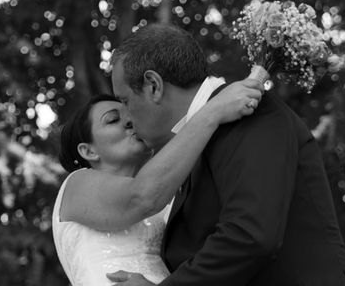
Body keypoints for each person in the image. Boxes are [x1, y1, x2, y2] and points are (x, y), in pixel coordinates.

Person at [107, 23, 345, 286]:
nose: (126, 118)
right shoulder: (198, 139)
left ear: (153, 86)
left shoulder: (250, 112)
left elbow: (251, 234)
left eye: (125, 101)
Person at [52, 79, 263, 285]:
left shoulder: (169, 198)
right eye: (113, 120)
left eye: (130, 114)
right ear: (88, 151)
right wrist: (212, 112)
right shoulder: (76, 184)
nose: (129, 121)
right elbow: (141, 197)